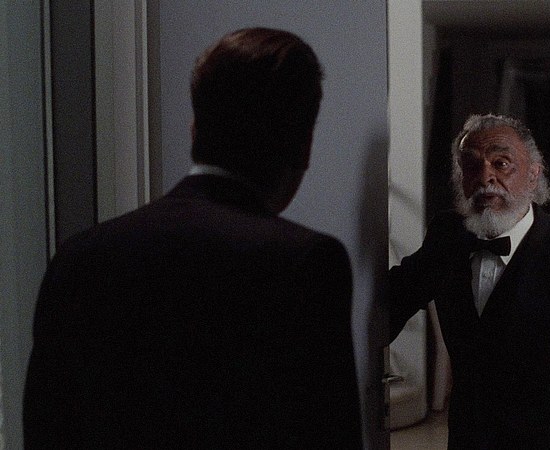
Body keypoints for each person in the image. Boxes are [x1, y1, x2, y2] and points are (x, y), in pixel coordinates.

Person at [24, 28, 362, 448]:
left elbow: (46, 430)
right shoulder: (305, 264)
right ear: (304, 145)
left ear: (194, 129)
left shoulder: (79, 257)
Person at [389, 114, 550, 448]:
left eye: (501, 164)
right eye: (471, 166)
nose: (485, 177)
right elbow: (389, 303)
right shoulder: (447, 236)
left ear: (533, 174)